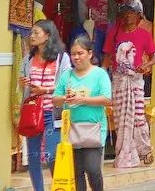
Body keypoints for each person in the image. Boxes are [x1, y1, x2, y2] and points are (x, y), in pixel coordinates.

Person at [102, 0, 155, 167]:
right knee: (120, 118)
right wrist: (101, 73)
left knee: (138, 116)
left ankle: (144, 149)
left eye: (130, 14)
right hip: (118, 80)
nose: (127, 18)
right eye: (124, 14)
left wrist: (145, 66)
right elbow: (108, 57)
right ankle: (124, 155)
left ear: (138, 16)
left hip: (136, 81)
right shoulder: (114, 33)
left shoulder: (144, 35)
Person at [54, 36, 112, 191]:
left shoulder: (99, 74)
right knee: (77, 172)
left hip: (94, 129)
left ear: (90, 53)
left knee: (93, 169)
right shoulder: (67, 76)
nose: (76, 57)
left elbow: (107, 99)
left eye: (80, 53)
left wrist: (83, 99)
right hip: (71, 129)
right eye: (73, 54)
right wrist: (65, 98)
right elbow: (55, 99)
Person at [21, 20, 71, 191]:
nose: (32, 36)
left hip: (52, 112)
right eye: (32, 33)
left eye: (36, 33)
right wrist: (25, 83)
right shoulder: (28, 59)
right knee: (33, 156)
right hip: (32, 112)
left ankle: (60, 187)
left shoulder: (62, 58)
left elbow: (66, 85)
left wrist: (46, 89)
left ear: (48, 35)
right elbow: (24, 83)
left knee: (52, 155)